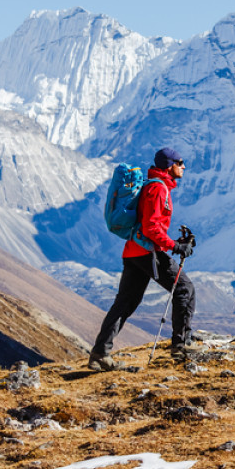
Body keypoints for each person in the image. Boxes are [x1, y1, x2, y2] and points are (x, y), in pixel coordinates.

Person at [88, 147, 197, 370]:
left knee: (125, 303)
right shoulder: (159, 189)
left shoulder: (152, 186)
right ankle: (181, 345)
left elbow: (147, 225)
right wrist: (175, 246)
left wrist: (175, 243)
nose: (184, 166)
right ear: (170, 165)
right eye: (180, 162)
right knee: (184, 288)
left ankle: (100, 353)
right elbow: (151, 228)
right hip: (148, 253)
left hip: (133, 251)